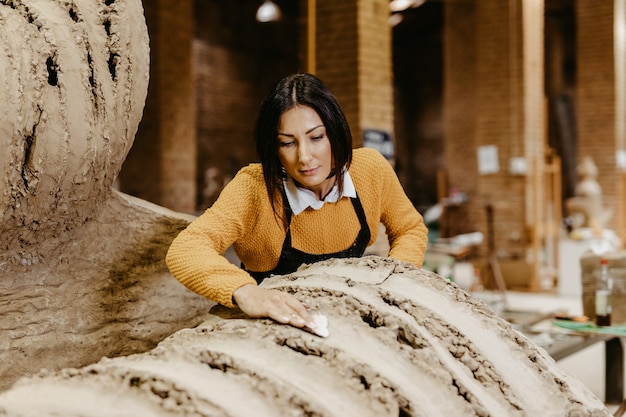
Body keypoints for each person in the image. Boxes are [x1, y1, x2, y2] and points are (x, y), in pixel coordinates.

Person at [166, 73, 428, 333]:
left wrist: (393, 281)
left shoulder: (370, 169)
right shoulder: (253, 188)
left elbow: (410, 229)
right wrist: (245, 291)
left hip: (348, 318)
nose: (304, 157)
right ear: (274, 148)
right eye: (288, 143)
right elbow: (186, 249)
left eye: (316, 138)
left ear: (335, 133)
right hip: (270, 328)